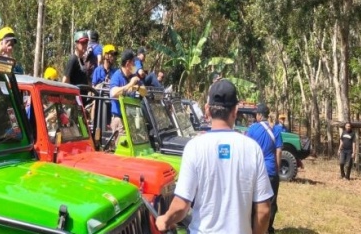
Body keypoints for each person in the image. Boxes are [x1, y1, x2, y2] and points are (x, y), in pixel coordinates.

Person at [156, 79, 273, 233]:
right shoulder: (252, 149)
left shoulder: (195, 147)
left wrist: (164, 220)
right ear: (235, 111)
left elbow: (181, 206)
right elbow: (264, 210)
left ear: (207, 110)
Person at [246, 103, 282, 234]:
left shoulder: (252, 129)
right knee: (271, 201)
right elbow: (278, 151)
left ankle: (253, 226)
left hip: (256, 170)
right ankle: (268, 228)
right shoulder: (276, 129)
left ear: (259, 115)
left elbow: (247, 150)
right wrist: (277, 169)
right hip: (271, 169)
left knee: (253, 199)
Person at [109, 49, 145, 135]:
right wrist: (130, 85)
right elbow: (113, 93)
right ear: (128, 64)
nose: (135, 66)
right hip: (119, 119)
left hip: (131, 119)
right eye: (134, 63)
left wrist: (137, 87)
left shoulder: (133, 76)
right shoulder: (116, 76)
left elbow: (145, 92)